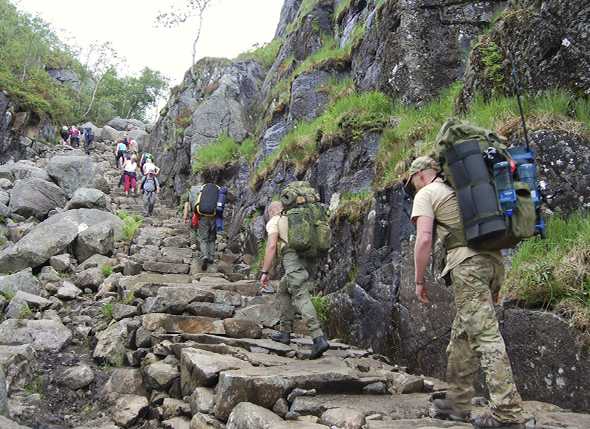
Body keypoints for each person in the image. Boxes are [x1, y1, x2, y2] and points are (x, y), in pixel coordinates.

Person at [406, 156, 528, 428]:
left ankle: (507, 413)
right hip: (494, 262)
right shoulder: (459, 192)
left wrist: (418, 280)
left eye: (412, 181)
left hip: (468, 266)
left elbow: (424, 238)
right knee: (462, 335)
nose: (413, 186)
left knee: (485, 336)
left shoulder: (427, 193)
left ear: (421, 175)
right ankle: (457, 405)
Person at [261, 200, 330, 360]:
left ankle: (318, 337)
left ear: (271, 211)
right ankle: (285, 332)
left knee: (299, 294)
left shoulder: (274, 220)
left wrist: (265, 271)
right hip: (309, 257)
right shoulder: (298, 219)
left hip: (292, 256)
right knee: (284, 290)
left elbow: (271, 246)